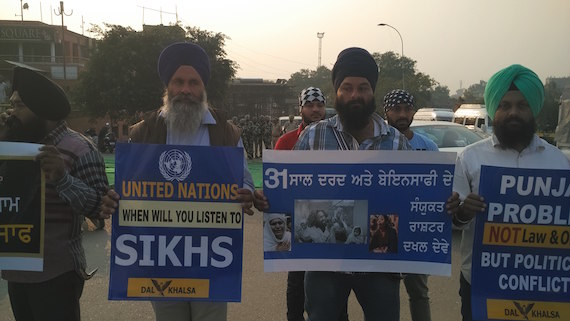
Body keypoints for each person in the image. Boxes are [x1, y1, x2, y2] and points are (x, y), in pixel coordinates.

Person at [99, 42, 255, 321]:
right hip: (161, 259)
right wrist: (114, 197)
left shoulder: (226, 133)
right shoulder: (144, 131)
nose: (185, 89)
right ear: (167, 86)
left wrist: (248, 194)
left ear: (203, 87)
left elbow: (244, 181)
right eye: (178, 82)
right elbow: (131, 187)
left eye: (193, 82)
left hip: (212, 258)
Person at [445, 64, 570, 321]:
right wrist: (464, 212)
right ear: (494, 110)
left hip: (541, 283)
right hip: (480, 281)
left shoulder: (558, 162)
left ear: (533, 110)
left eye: (522, 106)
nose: (513, 112)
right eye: (505, 106)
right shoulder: (470, 158)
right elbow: (453, 219)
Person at [294, 47, 410, 321]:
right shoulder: (313, 138)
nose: (355, 95)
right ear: (336, 91)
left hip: (380, 263)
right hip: (324, 263)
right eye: (346, 88)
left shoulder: (396, 142)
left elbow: (410, 200)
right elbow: (291, 190)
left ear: (373, 92)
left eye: (363, 88)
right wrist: (271, 199)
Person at [0, 67, 108, 321]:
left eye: (19, 106)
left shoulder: (79, 149)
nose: (11, 112)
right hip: (15, 270)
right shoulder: (13, 145)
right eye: (11, 105)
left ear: (41, 111)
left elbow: (99, 208)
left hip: (56, 274)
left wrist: (63, 179)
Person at [383, 89, 436, 321]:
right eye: (396, 109)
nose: (402, 114)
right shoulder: (377, 144)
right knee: (383, 293)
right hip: (384, 229)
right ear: (386, 112)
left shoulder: (428, 147)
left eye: (407, 109)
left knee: (419, 292)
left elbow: (437, 188)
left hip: (417, 231)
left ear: (414, 111)